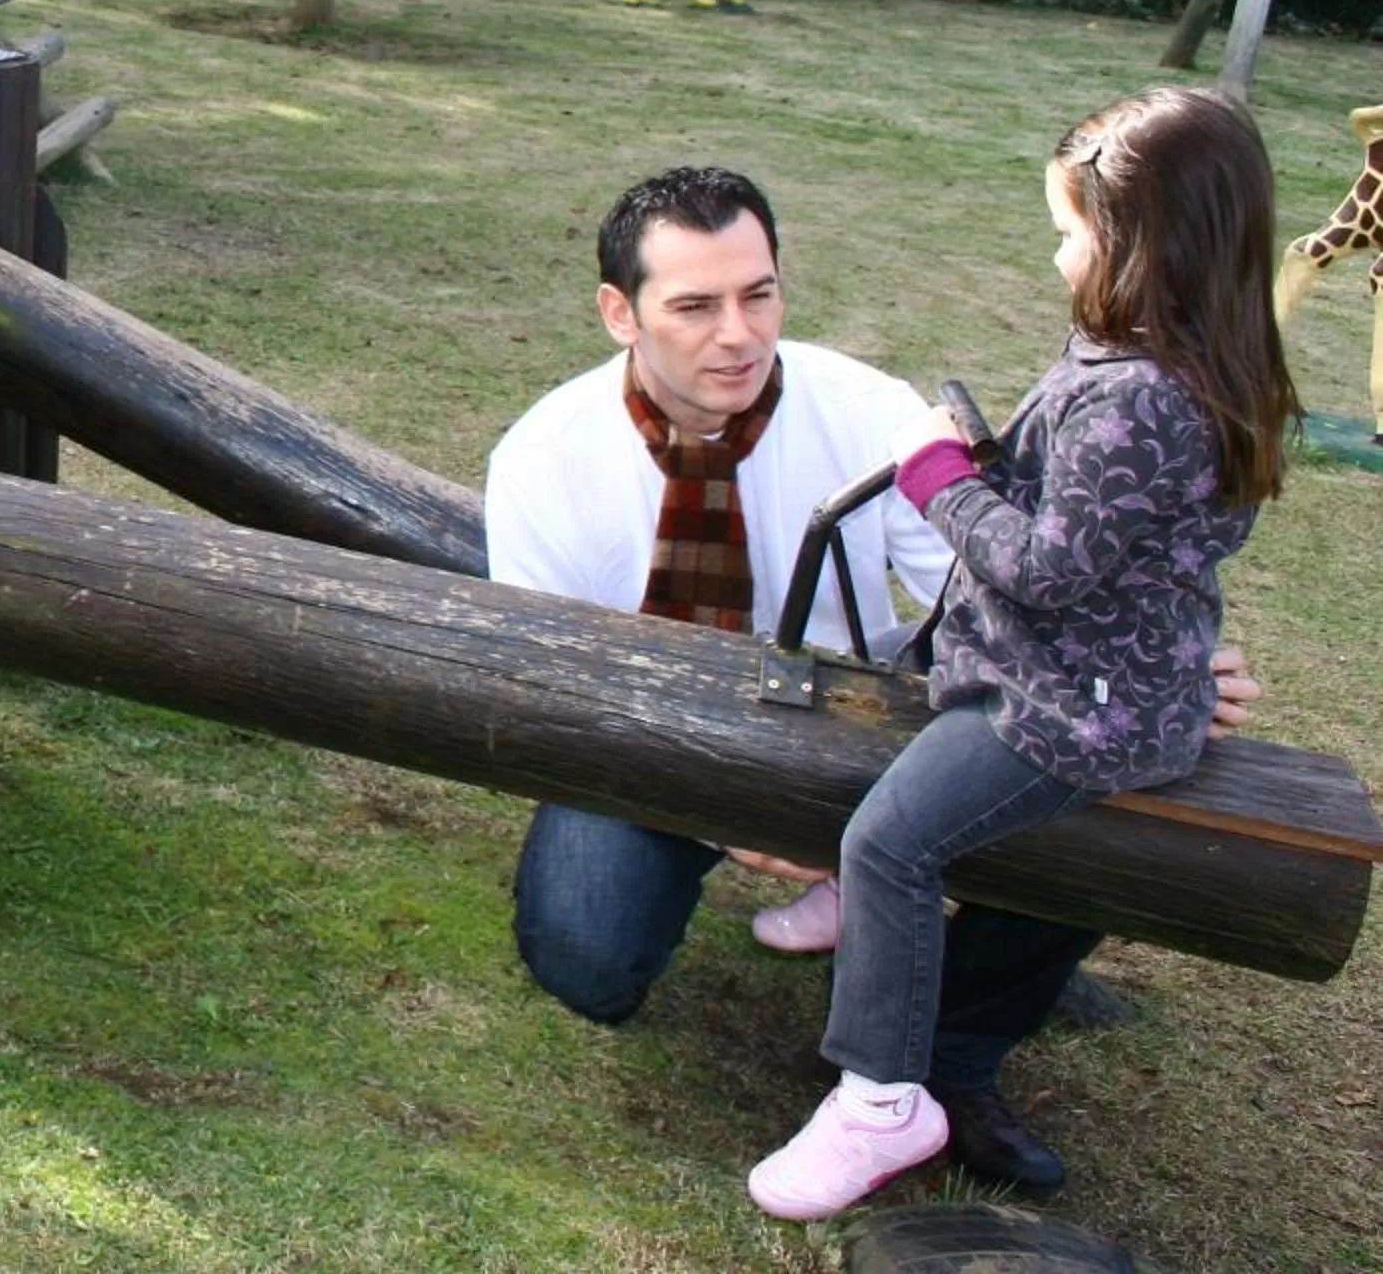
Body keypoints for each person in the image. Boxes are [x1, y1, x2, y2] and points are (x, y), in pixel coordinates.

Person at [486, 164, 1261, 1195]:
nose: (739, 335)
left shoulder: (870, 411)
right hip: (646, 743)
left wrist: (1138, 667)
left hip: (851, 715)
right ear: (619, 313)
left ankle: (954, 1050)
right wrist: (720, 808)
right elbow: (552, 696)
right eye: (695, 306)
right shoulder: (544, 456)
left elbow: (1000, 597)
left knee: (1090, 763)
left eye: (759, 293)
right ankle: (861, 911)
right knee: (586, 962)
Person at [747, 89, 1299, 1221]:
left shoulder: (1139, 399)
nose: (1058, 255)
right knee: (888, 785)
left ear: (1145, 245)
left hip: (1069, 705)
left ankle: (880, 1099)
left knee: (890, 844)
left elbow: (1047, 569)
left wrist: (937, 476)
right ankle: (875, 939)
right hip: (1087, 676)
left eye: (1070, 232)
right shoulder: (1176, 360)